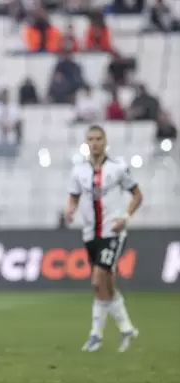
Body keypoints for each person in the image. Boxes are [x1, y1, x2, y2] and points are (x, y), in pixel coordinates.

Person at [65, 125, 142, 353]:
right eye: (90, 139)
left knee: (97, 281)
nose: (94, 143)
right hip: (91, 234)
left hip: (112, 233)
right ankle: (126, 328)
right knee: (106, 285)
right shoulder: (78, 171)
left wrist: (125, 217)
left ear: (105, 141)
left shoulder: (118, 168)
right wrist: (69, 210)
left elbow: (138, 195)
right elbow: (73, 197)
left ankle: (95, 335)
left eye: (98, 139)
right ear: (86, 142)